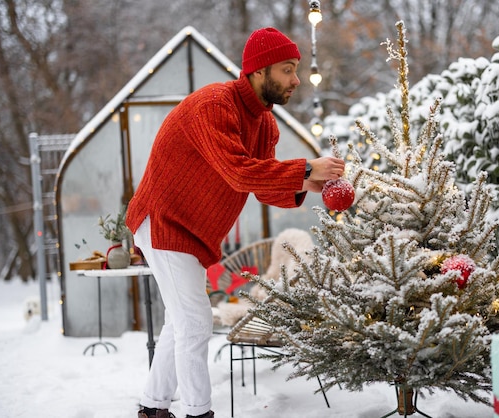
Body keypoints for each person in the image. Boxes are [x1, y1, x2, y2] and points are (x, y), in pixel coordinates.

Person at [126, 27, 346, 418]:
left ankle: (152, 407)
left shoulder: (265, 124)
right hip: (163, 222)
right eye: (287, 69)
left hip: (192, 233)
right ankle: (198, 412)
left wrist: (306, 184)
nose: (296, 79)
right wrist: (307, 165)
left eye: (296, 70)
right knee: (194, 322)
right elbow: (239, 173)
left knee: (180, 323)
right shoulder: (214, 104)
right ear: (259, 71)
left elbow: (263, 186)